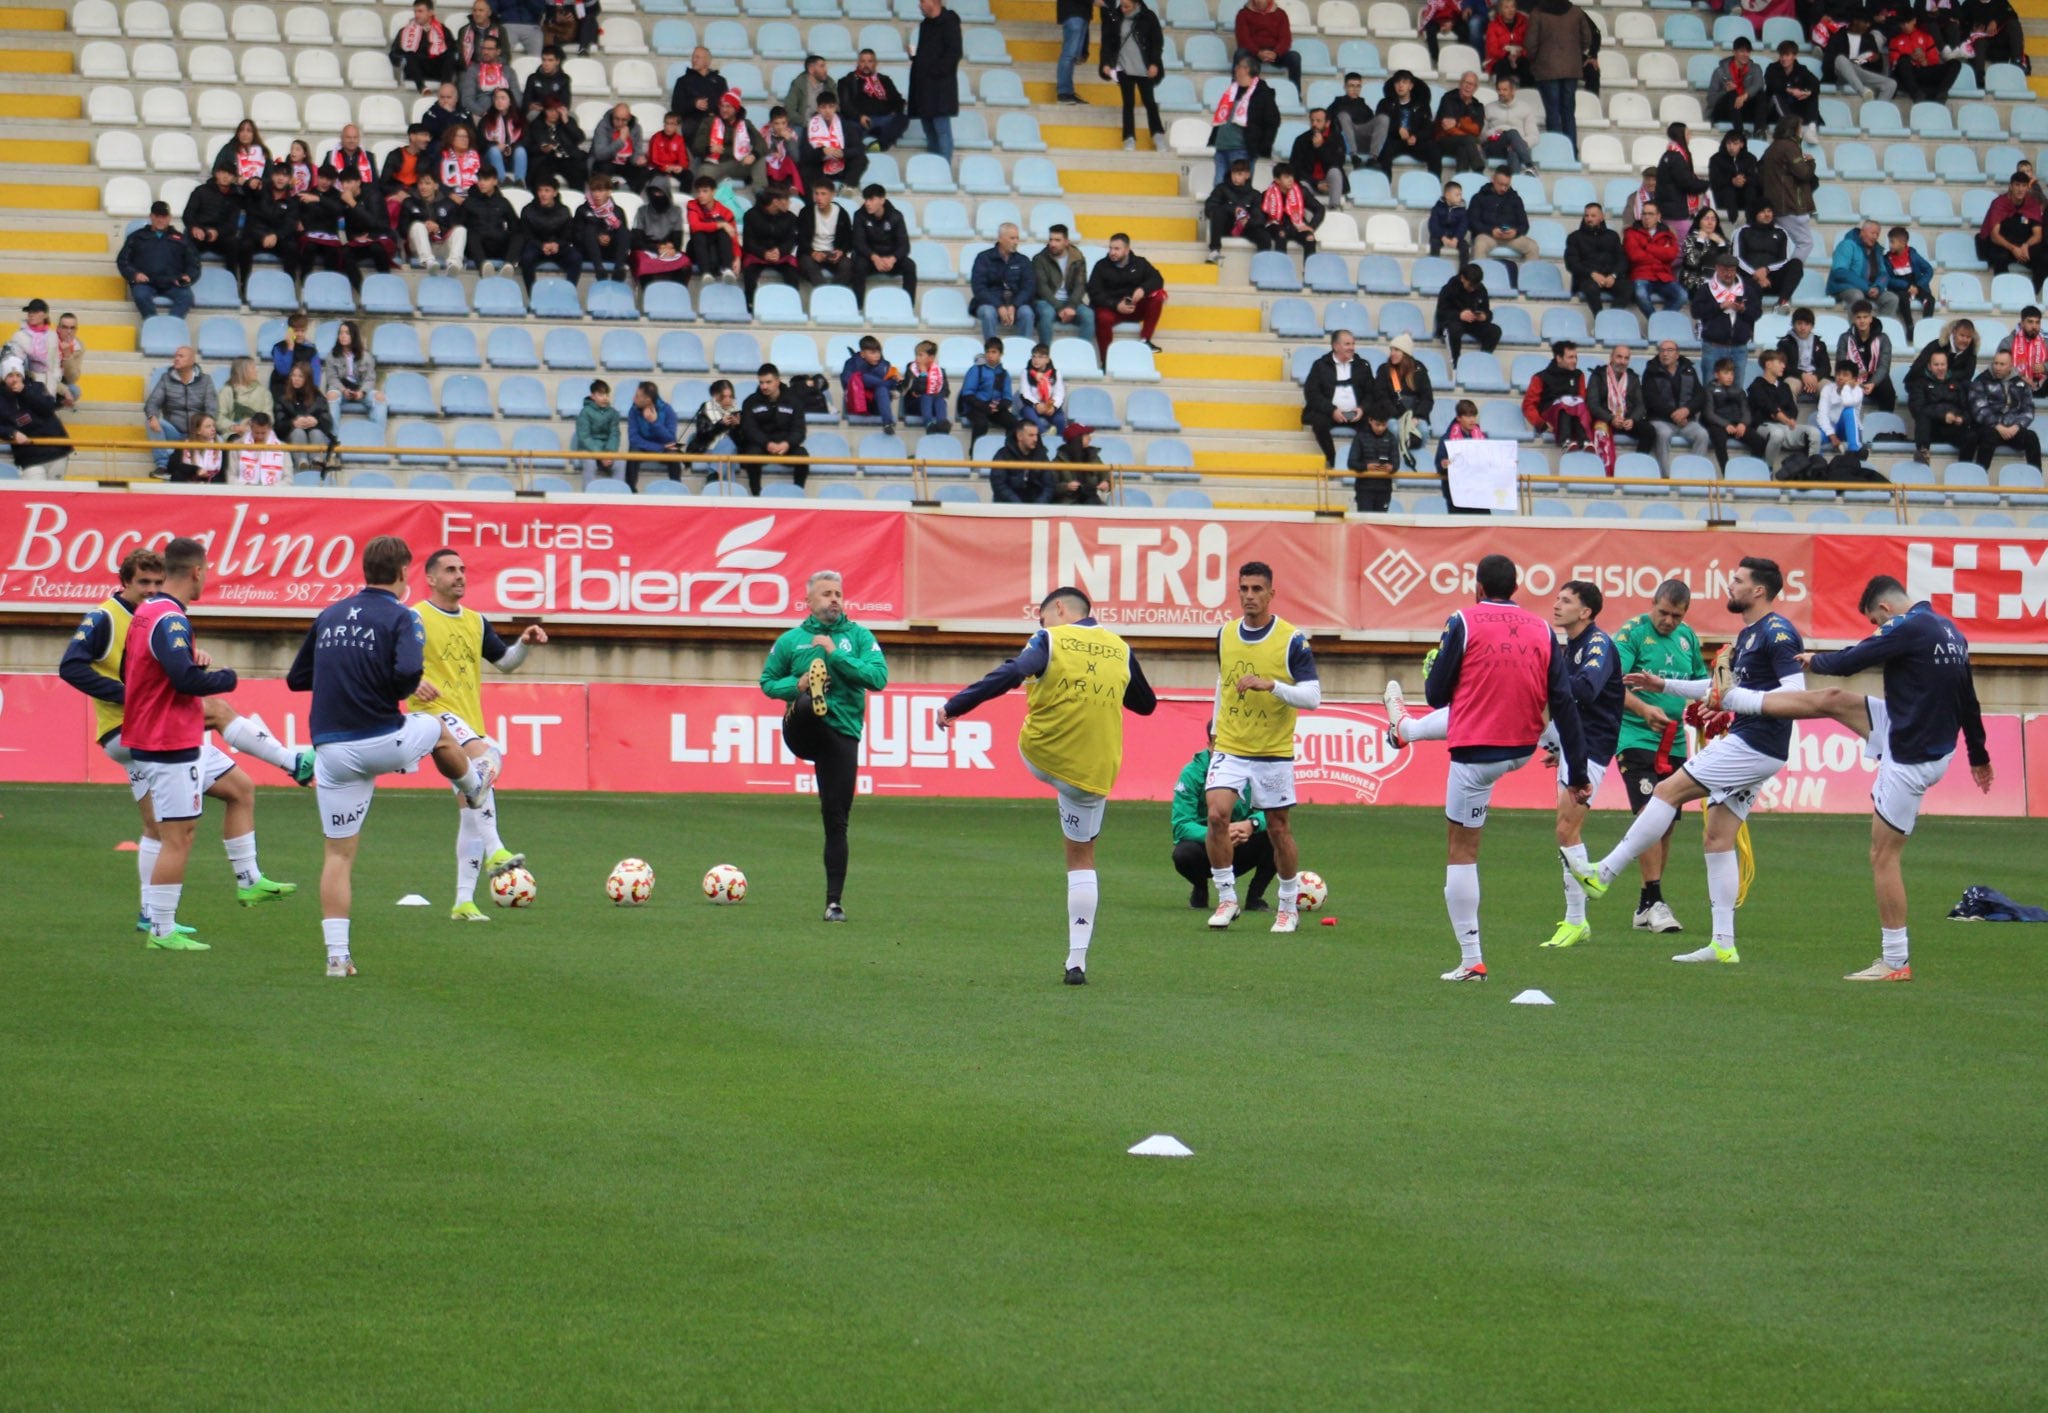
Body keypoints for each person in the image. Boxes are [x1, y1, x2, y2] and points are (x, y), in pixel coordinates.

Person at [1714, 575, 1991, 980]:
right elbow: (1969, 699)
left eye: (1875, 624)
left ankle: (1895, 961)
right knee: (1833, 701)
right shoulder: (1950, 630)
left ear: (1885, 611)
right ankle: (1739, 699)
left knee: (1883, 855)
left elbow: (1851, 661)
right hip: (1915, 734)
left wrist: (1815, 660)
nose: (1878, 631)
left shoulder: (1905, 625)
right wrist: (1979, 754)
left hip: (1910, 755)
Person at [58, 547, 310, 937]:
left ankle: (194, 899)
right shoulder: (106, 617)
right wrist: (129, 695)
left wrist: (190, 659)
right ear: (124, 582)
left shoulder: (152, 615)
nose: (151, 589)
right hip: (131, 728)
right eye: (143, 582)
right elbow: (70, 665)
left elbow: (167, 665)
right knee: (219, 711)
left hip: (142, 729)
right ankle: (293, 763)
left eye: (157, 582)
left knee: (231, 793)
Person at [1570, 557, 1803, 968]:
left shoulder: (1778, 632)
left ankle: (1604, 873)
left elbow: (1795, 695)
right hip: (1756, 743)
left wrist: (1733, 702)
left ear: (1759, 591)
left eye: (1738, 580)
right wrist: (1663, 684)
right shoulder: (1750, 634)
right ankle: (1722, 944)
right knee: (1717, 837)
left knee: (1666, 791)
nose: (1730, 585)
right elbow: (1713, 688)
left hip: (1754, 743)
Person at [287, 536, 496, 977]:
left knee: (338, 856)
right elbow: (405, 676)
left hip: (332, 750)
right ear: (403, 574)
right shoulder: (404, 617)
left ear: (366, 571)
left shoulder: (329, 615)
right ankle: (473, 788)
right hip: (383, 739)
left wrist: (346, 677)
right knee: (439, 728)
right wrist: (384, 685)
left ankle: (337, 957)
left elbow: (296, 678)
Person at [1383, 553, 1588, 980]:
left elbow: (1438, 694)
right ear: (1516, 588)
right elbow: (1563, 702)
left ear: (1477, 588)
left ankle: (1471, 958)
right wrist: (1580, 772)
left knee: (1462, 853)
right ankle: (1406, 729)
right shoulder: (1544, 631)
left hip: (1476, 756)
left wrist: (1448, 670)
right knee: (1483, 705)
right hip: (1521, 748)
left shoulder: (1463, 619)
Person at [940, 586, 1157, 984]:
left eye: (1042, 619)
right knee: (1081, 860)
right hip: (1092, 776)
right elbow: (1146, 705)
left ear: (1058, 609)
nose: (1041, 627)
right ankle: (1077, 961)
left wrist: (953, 706)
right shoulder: (1120, 648)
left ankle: (1076, 962)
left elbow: (1011, 673)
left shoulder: (1050, 638)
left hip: (1041, 755)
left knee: (1034, 710)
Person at [116, 539, 286, 949]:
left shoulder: (145, 612)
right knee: (178, 835)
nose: (205, 578)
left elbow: (127, 668)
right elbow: (185, 680)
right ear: (196, 571)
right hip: (167, 739)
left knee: (239, 789)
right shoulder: (171, 620)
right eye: (206, 571)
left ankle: (248, 882)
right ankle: (161, 929)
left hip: (166, 733)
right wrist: (225, 678)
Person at [402, 546, 548, 922]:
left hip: (466, 721)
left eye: (463, 569)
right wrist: (413, 682)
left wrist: (525, 645)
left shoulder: (476, 622)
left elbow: (506, 663)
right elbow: (390, 665)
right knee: (486, 755)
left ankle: (463, 902)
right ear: (431, 578)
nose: (460, 575)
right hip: (433, 719)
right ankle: (496, 848)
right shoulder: (414, 618)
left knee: (471, 809)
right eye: (450, 569)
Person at [755, 569, 892, 924]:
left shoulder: (859, 637)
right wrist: (795, 684)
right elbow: (767, 682)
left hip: (842, 736)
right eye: (826, 594)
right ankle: (812, 695)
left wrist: (836, 654)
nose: (834, 599)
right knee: (804, 703)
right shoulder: (791, 641)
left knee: (836, 820)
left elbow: (878, 678)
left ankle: (834, 904)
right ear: (809, 602)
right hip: (801, 731)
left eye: (838, 593)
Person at [1203, 561, 1321, 934]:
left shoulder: (1291, 640)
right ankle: (1226, 898)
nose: (1249, 596)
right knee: (1218, 816)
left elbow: (1313, 697)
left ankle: (1288, 905)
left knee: (1277, 828)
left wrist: (1272, 686)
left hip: (1272, 750)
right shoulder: (1225, 634)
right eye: (1244, 589)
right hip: (1232, 746)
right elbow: (1224, 682)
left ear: (1272, 593)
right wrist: (1215, 731)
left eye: (1257, 589)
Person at [1528, 580, 1624, 951]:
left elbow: (1584, 691)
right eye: (1557, 599)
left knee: (1567, 830)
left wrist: (1546, 679)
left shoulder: (1598, 644)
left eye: (1566, 601)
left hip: (1592, 747)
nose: (1556, 605)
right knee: (1567, 831)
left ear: (1585, 612)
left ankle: (1576, 920)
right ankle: (1576, 918)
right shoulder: (1571, 646)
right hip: (1572, 742)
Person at [1605, 580, 1705, 934]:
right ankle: (1656, 900)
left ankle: (1647, 903)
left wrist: (1711, 709)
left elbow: (1700, 682)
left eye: (1676, 616)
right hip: (1635, 735)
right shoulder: (1633, 633)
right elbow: (1611, 683)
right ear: (1653, 604)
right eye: (1663, 612)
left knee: (1665, 821)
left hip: (1674, 740)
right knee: (1649, 811)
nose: (1668, 621)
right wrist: (1644, 709)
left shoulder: (1687, 638)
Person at [1172, 723, 1276, 911]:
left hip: (1242, 843)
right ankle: (1200, 888)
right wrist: (1218, 832)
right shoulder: (1192, 773)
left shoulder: (1254, 768)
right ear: (1210, 743)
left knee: (1277, 836)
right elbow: (1181, 825)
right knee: (1182, 855)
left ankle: (1255, 897)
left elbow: (1273, 810)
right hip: (1206, 849)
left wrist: (1251, 824)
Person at [1524, 0, 1595, 154]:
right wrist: (1575, 52)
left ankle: (1557, 151)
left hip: (1546, 69)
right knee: (1568, 112)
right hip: (1571, 68)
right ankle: (1571, 152)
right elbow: (1587, 38)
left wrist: (1536, 58)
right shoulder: (1575, 11)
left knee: (1553, 112)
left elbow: (1530, 44)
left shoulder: (1538, 13)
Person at [1087, 233, 1168, 358]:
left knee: (1159, 295)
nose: (1112, 252)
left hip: (1134, 307)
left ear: (1127, 250)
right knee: (1103, 318)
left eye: (1116, 249)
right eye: (1110, 248)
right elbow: (1094, 292)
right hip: (1112, 308)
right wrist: (1115, 305)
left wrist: (1143, 289)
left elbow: (1157, 279)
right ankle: (1106, 359)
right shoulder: (1101, 266)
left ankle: (1145, 340)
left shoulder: (1140, 263)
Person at [116, 201, 199, 320]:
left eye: (164, 217)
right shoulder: (136, 237)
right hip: (146, 283)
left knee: (186, 297)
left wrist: (188, 276)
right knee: (140, 295)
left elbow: (193, 264)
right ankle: (153, 325)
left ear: (169, 218)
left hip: (173, 283)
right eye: (157, 216)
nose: (160, 220)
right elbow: (123, 261)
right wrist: (134, 274)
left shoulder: (181, 239)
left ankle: (171, 326)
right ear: (151, 217)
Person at [1301, 328, 1372, 468]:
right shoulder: (1320, 365)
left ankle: (1361, 462)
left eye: (1352, 344)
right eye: (1347, 344)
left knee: (1371, 425)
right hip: (1329, 414)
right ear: (1335, 346)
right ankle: (1333, 460)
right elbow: (1312, 393)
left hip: (1355, 414)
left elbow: (1371, 393)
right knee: (1319, 423)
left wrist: (1362, 409)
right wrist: (1332, 410)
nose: (1351, 347)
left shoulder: (1363, 366)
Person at [1100, 0, 1166, 151]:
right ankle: (1129, 138)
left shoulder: (1148, 16)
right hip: (1124, 67)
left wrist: (1154, 63)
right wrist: (1106, 63)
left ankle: (1158, 136)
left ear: (1136, 4)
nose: (1123, 9)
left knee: (1150, 102)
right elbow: (1108, 41)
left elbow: (1157, 41)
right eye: (1121, 5)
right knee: (1128, 104)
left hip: (1144, 68)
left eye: (1127, 6)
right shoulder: (1115, 16)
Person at [144, 345, 217, 475]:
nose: (176, 359)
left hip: (197, 432)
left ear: (192, 360)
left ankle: (214, 473)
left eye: (181, 356)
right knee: (151, 421)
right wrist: (152, 417)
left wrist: (200, 430)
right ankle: (162, 466)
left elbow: (212, 408)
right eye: (175, 356)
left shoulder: (206, 380)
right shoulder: (166, 379)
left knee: (220, 439)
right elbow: (152, 403)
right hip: (175, 431)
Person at [737, 363, 807, 494]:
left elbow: (799, 430)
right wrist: (767, 443)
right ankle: (756, 494)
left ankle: (798, 493)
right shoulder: (750, 401)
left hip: (786, 446)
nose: (764, 386)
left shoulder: (794, 401)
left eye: (768, 382)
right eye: (761, 382)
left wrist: (787, 443)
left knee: (803, 455)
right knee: (751, 454)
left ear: (778, 381)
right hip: (761, 446)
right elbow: (749, 429)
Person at [1692, 252, 1759, 388]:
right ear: (1717, 268)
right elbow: (1696, 311)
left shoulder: (1747, 290)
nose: (1728, 274)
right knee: (1710, 388)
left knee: (1737, 389)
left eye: (1732, 270)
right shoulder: (1707, 289)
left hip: (1739, 347)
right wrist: (1720, 306)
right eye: (1724, 270)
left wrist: (1743, 310)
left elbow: (1756, 313)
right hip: (1713, 346)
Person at [909, 0, 964, 162]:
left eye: (922, 1)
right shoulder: (925, 25)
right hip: (924, 87)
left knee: (941, 129)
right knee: (929, 130)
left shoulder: (950, 23)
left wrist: (934, 71)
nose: (920, 5)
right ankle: (933, 166)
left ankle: (944, 167)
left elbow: (954, 53)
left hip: (941, 89)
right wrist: (916, 58)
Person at [1970, 349, 2042, 468]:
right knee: (1989, 436)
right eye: (1996, 363)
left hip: (2013, 428)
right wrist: (1998, 426)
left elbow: (2028, 409)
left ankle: (2036, 480)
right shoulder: (1981, 380)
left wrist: (2017, 426)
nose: (1997, 367)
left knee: (2031, 437)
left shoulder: (2021, 383)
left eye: (2002, 364)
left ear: (2011, 366)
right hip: (1990, 427)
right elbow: (1979, 409)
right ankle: (1980, 477)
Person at [1747, 348, 1819, 467]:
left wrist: (1784, 418)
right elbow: (1768, 407)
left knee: (1814, 433)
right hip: (1764, 426)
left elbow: (1793, 410)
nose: (1784, 366)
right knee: (1777, 434)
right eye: (1780, 362)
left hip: (1786, 427)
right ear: (1768, 364)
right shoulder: (1756, 386)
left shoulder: (1784, 386)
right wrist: (1781, 417)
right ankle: (1767, 468)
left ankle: (1811, 470)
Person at [1976, 170, 2048, 286]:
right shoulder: (1999, 203)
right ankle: (2005, 292)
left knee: (2045, 259)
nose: (2020, 189)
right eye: (2017, 185)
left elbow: (2037, 235)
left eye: (2024, 185)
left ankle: (2032, 294)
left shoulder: (2032, 204)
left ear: (2027, 188)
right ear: (2011, 186)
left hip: (2023, 244)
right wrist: (2013, 249)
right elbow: (1995, 236)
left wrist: (2026, 245)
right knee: (1999, 258)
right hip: (2004, 244)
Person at [1643, 339, 1708, 468]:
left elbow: (1700, 395)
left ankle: (1692, 473)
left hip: (1686, 420)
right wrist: (1674, 415)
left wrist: (1687, 410)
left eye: (1669, 350)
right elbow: (1652, 399)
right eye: (1662, 350)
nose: (1665, 354)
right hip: (1661, 420)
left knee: (1702, 434)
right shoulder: (1651, 372)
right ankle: (1666, 477)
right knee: (1663, 434)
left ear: (1677, 354)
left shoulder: (1688, 370)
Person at [0, 358, 69, 476]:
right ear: (3, 378)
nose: (15, 379)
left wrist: (25, 391)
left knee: (56, 493)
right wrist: (12, 433)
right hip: (29, 457)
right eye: (10, 375)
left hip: (56, 451)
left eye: (18, 375)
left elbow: (48, 408)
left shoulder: (37, 387)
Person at [970, 224, 1038, 342]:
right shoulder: (984, 258)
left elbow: (1029, 287)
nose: (1016, 242)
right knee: (988, 313)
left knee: (1027, 313)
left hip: (1016, 303)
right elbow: (979, 288)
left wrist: (1014, 305)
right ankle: (992, 350)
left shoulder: (1023, 260)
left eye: (1017, 238)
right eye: (1012, 238)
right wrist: (999, 306)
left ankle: (1024, 350)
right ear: (1000, 238)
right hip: (990, 303)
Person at [1909, 347, 1978, 464]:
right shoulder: (1920, 383)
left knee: (1971, 436)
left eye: (1943, 364)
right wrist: (1943, 415)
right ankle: (1923, 452)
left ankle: (1964, 468)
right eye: (1936, 365)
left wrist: (1962, 418)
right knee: (1923, 417)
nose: (1940, 368)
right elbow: (1917, 409)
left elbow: (1966, 409)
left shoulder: (1956, 383)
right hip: (1932, 429)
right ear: (1929, 366)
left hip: (1952, 427)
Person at [1374, 331, 1433, 466]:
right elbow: (1381, 397)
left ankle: (1419, 463)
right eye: (1391, 350)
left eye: (1396, 350)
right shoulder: (1384, 370)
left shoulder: (1419, 370)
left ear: (1405, 353)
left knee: (1423, 430)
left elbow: (1427, 398)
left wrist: (1417, 417)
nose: (1392, 353)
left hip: (1415, 416)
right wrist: (1398, 416)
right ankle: (1397, 461)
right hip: (1393, 415)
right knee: (1395, 429)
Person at [851, 183, 915, 304]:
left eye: (871, 199)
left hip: (889, 261)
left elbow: (904, 245)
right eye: (866, 199)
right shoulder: (859, 215)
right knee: (858, 265)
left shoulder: (896, 216)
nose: (867, 203)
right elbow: (858, 243)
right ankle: (858, 306)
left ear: (882, 200)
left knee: (910, 266)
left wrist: (892, 259)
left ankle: (908, 305)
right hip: (869, 259)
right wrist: (874, 257)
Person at [1522, 340, 1592, 450]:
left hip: (1574, 417)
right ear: (1559, 358)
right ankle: (1565, 441)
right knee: (1564, 403)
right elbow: (1528, 405)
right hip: (1551, 417)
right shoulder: (1540, 377)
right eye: (1570, 357)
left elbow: (1581, 398)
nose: (1575, 361)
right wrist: (1541, 424)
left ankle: (1584, 440)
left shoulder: (1579, 375)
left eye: (1575, 357)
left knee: (1578, 402)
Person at [1733, 200, 1801, 312]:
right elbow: (1737, 258)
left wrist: (1766, 270)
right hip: (1750, 277)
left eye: (1769, 211)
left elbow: (1785, 259)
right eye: (1762, 211)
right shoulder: (1742, 232)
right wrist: (1756, 274)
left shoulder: (1781, 232)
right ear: (1755, 214)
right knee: (1741, 277)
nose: (1767, 214)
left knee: (1796, 264)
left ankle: (1782, 303)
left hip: (1772, 279)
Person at [1369, 69, 1438, 178]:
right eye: (1397, 82)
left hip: (1414, 141)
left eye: (1404, 82)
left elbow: (1429, 129)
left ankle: (1435, 185)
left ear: (1410, 86)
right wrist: (1397, 129)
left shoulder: (1421, 106)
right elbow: (1379, 124)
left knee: (1434, 150)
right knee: (1384, 151)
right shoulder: (1385, 104)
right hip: (1393, 140)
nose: (1400, 85)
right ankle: (1385, 186)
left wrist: (1416, 137)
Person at [1468, 166, 1535, 277]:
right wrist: (1490, 231)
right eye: (1501, 184)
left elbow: (1524, 224)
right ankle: (1479, 283)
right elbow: (1472, 222)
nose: (1504, 188)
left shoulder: (1515, 198)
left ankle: (1529, 283)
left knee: (1533, 247)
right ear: (1493, 179)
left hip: (1510, 236)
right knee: (1479, 245)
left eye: (1507, 185)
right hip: (1487, 235)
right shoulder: (1479, 197)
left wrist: (1515, 232)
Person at [740, 185, 799, 310]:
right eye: (786, 200)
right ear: (776, 202)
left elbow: (791, 240)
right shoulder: (751, 215)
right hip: (758, 254)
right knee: (749, 272)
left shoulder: (791, 218)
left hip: (780, 255)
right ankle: (750, 305)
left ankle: (793, 305)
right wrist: (763, 253)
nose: (789, 203)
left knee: (792, 272)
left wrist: (780, 251)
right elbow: (748, 243)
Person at [1588, 341, 1648, 465]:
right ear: (1611, 357)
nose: (1622, 361)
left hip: (1626, 420)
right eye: (1619, 357)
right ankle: (1603, 471)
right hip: (1605, 419)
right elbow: (1593, 404)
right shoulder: (1598, 375)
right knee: (1600, 431)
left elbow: (1641, 405)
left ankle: (1638, 465)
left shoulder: (1633, 377)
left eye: (1626, 358)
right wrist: (1611, 418)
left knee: (1650, 432)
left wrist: (1632, 419)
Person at [838, 48, 910, 152]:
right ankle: (858, 146)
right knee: (847, 126)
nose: (866, 65)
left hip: (882, 120)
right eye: (863, 61)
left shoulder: (884, 80)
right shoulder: (847, 81)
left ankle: (880, 145)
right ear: (858, 63)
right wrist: (859, 117)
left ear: (875, 63)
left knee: (902, 119)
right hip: (858, 122)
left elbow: (897, 100)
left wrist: (896, 111)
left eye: (870, 61)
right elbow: (845, 105)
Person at [1433, 262, 1499, 370]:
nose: (1473, 289)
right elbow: (1441, 312)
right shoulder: (1449, 289)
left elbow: (1487, 311)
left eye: (1475, 286)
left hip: (1473, 323)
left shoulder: (1481, 290)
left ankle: (1483, 362)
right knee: (1453, 330)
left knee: (1495, 331)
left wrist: (1484, 316)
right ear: (1462, 278)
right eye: (1470, 285)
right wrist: (1459, 315)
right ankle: (1456, 366)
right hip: (1453, 322)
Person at [690, 92, 761, 190]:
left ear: (736, 109)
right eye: (722, 106)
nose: (724, 110)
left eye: (728, 107)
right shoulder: (709, 122)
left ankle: (761, 195)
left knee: (761, 159)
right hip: (715, 164)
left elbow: (761, 144)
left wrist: (754, 155)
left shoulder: (745, 124)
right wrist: (710, 149)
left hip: (739, 164)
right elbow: (696, 147)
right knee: (703, 179)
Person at [1030, 225, 1087, 346]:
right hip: (1046, 301)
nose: (1053, 244)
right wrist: (1059, 308)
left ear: (1066, 242)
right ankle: (1045, 354)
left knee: (1088, 315)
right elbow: (1042, 288)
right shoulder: (1040, 259)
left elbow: (1080, 285)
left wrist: (1071, 306)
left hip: (1070, 301)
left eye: (1057, 240)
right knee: (1047, 313)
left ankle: (1083, 354)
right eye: (1051, 240)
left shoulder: (1078, 258)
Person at [1564, 202, 1626, 314]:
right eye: (1586, 216)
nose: (1589, 219)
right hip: (1586, 278)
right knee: (1591, 288)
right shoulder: (1574, 237)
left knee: (1628, 288)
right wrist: (1592, 274)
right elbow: (1572, 263)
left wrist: (1613, 275)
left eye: (1593, 216)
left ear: (1602, 217)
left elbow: (1622, 260)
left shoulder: (1612, 236)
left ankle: (1610, 318)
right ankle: (1599, 320)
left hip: (1609, 278)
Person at [1626, 201, 1684, 318]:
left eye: (1650, 214)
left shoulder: (1668, 234)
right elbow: (1634, 256)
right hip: (1641, 275)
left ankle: (1660, 323)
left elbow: (1671, 255)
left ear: (1658, 216)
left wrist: (1647, 247)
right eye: (1644, 214)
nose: (1646, 217)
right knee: (1640, 294)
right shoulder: (1631, 233)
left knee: (1682, 296)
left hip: (1663, 276)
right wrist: (1660, 255)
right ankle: (1656, 323)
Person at [181, 168, 244, 276]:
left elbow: (232, 224)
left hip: (220, 235)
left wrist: (217, 232)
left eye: (229, 174)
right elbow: (188, 214)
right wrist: (195, 227)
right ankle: (187, 276)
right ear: (216, 174)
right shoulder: (201, 191)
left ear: (234, 178)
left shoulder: (236, 196)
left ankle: (232, 280)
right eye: (223, 172)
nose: (225, 176)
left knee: (234, 243)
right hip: (200, 232)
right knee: (187, 241)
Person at [398, 173, 466, 272]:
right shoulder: (409, 202)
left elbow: (452, 228)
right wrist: (424, 226)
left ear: (436, 186)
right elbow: (402, 230)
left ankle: (454, 264)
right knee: (418, 226)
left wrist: (438, 229)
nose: (423, 187)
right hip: (418, 247)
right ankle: (428, 261)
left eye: (427, 183)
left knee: (461, 230)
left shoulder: (448, 203)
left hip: (440, 246)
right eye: (420, 183)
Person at [1828, 219, 1897, 317]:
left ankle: (1881, 329)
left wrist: (1878, 287)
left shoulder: (1877, 250)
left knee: (1892, 299)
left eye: (1877, 234)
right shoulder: (1847, 245)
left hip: (1870, 288)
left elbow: (1884, 274)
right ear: (1862, 232)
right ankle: (1854, 330)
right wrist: (1866, 287)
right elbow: (1840, 272)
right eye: (1872, 233)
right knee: (1857, 295)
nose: (1875, 237)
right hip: (1845, 287)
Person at [1837, 299, 1896, 414]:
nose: (1862, 321)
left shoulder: (1883, 339)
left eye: (1865, 317)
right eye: (1858, 317)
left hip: (1874, 379)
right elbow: (1841, 364)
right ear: (1853, 319)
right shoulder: (1845, 338)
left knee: (1888, 390)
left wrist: (1873, 382)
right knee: (1840, 387)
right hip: (1852, 379)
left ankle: (1886, 427)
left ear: (1871, 318)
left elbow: (1883, 367)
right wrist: (1853, 380)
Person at [1824, 10, 1897, 101]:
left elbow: (1877, 68)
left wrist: (1877, 59)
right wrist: (1849, 64)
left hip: (1861, 73)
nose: (1868, 25)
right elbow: (1827, 63)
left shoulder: (1869, 39)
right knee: (1841, 59)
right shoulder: (1838, 36)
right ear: (1855, 21)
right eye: (1865, 22)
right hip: (1840, 75)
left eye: (1869, 23)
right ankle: (1862, 91)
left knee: (1891, 84)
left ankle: (1876, 110)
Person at [801, 92, 867, 193]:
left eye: (831, 107)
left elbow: (859, 148)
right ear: (818, 109)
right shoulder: (809, 127)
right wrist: (822, 151)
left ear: (835, 107)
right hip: (820, 167)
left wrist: (843, 152)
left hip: (842, 165)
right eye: (823, 107)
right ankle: (816, 192)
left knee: (861, 159)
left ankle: (847, 187)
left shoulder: (846, 126)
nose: (827, 111)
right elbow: (805, 154)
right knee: (805, 167)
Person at [1653, 124, 1707, 246]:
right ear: (1681, 136)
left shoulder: (1669, 155)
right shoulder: (1676, 157)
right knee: (1681, 246)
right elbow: (1687, 183)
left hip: (1670, 208)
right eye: (1688, 134)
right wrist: (1707, 184)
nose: (1690, 137)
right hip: (1675, 211)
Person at [1702, 357, 1761, 468]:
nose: (1730, 377)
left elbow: (1746, 410)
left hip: (1737, 425)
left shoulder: (1739, 391)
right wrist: (1726, 425)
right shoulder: (1709, 390)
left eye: (1732, 374)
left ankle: (1753, 470)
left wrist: (1743, 423)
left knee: (1759, 442)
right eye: (1726, 373)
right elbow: (1709, 414)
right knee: (1718, 439)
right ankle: (1727, 474)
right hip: (1718, 425)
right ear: (1716, 375)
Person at [623, 380, 683, 488]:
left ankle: (676, 488)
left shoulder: (667, 410)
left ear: (648, 400)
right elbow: (633, 439)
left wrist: (654, 422)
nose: (633, 399)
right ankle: (630, 489)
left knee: (674, 452)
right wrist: (659, 447)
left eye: (637, 396)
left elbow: (671, 440)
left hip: (665, 448)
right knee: (633, 450)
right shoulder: (633, 411)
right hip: (646, 446)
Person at [1888, 13, 1959, 102]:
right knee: (1903, 59)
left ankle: (1941, 94)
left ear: (1914, 21)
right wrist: (1911, 58)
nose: (1905, 26)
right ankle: (1916, 95)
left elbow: (1934, 61)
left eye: (1907, 22)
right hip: (1909, 76)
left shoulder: (1926, 37)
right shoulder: (1894, 41)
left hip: (1925, 71)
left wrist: (1925, 61)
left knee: (1955, 63)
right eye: (1902, 24)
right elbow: (1895, 64)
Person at [278, 364, 337, 471]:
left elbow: (328, 423)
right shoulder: (283, 399)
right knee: (298, 432)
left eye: (300, 376)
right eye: (294, 376)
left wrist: (316, 422)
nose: (296, 379)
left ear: (307, 379)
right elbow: (278, 426)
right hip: (293, 438)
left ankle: (317, 462)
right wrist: (292, 423)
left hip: (315, 436)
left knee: (316, 432)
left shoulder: (318, 398)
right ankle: (302, 463)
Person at [1433, 397, 1487, 512]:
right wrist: (1444, 464)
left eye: (1473, 416)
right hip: (1457, 496)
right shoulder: (1446, 439)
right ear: (1458, 418)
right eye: (1468, 416)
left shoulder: (1483, 437)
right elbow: (1439, 464)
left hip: (1480, 494)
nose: (1472, 420)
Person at [956, 336, 1016, 441]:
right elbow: (967, 394)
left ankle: (1009, 452)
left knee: (1013, 423)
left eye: (994, 352)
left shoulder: (1004, 374)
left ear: (1000, 354)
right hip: (975, 407)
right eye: (988, 352)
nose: (990, 355)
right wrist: (984, 406)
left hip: (995, 408)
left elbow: (1008, 398)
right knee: (981, 424)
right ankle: (974, 454)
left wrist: (999, 406)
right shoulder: (976, 370)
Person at [1255, 163, 1322, 256]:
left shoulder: (1301, 191)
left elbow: (1320, 208)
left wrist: (1312, 226)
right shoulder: (1267, 194)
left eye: (1291, 176)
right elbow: (1261, 216)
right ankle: (1282, 269)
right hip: (1276, 225)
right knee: (1281, 234)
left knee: (1310, 237)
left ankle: (1309, 270)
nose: (1291, 180)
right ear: (1277, 180)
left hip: (1297, 225)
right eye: (1286, 177)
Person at [1234, 0, 1302, 91]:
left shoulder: (1280, 14)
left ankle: (1296, 93)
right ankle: (1238, 92)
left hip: (1275, 53)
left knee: (1294, 57)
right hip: (1253, 53)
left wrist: (1276, 53)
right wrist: (1258, 52)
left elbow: (1285, 39)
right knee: (1240, 54)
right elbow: (1243, 39)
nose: (1259, 2)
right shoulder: (1243, 14)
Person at [1291, 107, 1349, 212]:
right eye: (1312, 121)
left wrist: (1321, 147)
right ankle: (1308, 215)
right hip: (1311, 182)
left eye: (1318, 121)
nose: (1314, 124)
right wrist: (1316, 183)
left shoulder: (1336, 139)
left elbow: (1337, 163)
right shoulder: (1301, 140)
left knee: (1335, 172)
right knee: (1302, 185)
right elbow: (1296, 169)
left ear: (1327, 123)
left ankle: (1334, 209)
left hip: (1330, 183)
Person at [1705, 36, 1766, 135]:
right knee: (1732, 94)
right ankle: (1739, 132)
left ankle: (1759, 131)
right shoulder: (1720, 71)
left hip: (1744, 110)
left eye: (1748, 52)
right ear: (1734, 52)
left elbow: (1759, 85)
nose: (1745, 55)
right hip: (1724, 113)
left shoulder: (1755, 68)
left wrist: (1745, 96)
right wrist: (1725, 91)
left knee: (1761, 94)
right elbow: (1710, 100)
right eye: (1742, 51)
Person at [684, 176, 739, 283]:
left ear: (713, 192)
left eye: (705, 191)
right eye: (698, 191)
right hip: (697, 249)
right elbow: (695, 226)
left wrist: (737, 257)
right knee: (699, 233)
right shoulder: (692, 205)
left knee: (724, 231)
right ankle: (706, 273)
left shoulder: (726, 212)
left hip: (718, 251)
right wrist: (720, 225)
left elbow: (733, 236)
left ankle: (727, 269)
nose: (701, 195)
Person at [390, 0, 455, 91]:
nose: (416, 15)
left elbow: (453, 50)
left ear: (430, 12)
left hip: (436, 69)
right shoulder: (405, 31)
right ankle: (422, 87)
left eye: (420, 11)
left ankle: (445, 88)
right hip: (415, 71)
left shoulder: (442, 30)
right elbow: (394, 53)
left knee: (449, 55)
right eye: (415, 11)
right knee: (409, 54)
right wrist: (400, 60)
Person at [1483, 76, 1542, 175]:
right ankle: (1530, 165)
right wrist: (1494, 132)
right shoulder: (1488, 108)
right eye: (1499, 90)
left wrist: (1519, 144)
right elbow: (1481, 135)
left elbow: (1534, 136)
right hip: (1494, 144)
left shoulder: (1525, 108)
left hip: (1515, 147)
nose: (1500, 93)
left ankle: (1513, 185)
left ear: (1513, 91)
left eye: (1504, 90)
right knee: (1512, 132)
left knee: (1514, 152)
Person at [1205, 159, 1262, 261]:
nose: (1235, 177)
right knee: (1218, 211)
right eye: (1234, 173)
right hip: (1226, 227)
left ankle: (1263, 265)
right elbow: (1209, 209)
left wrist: (1248, 222)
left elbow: (1259, 217)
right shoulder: (1221, 189)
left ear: (1247, 175)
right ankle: (1214, 250)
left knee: (1264, 236)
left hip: (1246, 228)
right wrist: (1232, 209)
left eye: (1239, 174)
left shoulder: (1255, 194)